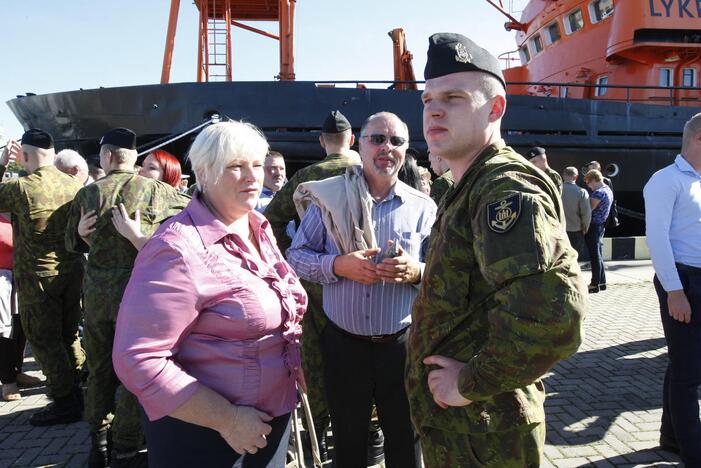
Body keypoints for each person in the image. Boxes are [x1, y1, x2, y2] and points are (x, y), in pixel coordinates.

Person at [406, 33, 586, 467]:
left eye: (453, 97)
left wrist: (467, 382)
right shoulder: (469, 185)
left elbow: (555, 320)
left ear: (495, 108)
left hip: (485, 431)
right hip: (466, 427)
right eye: (428, 98)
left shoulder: (503, 189)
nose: (433, 108)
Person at [112, 121, 307, 468]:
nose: (252, 176)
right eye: (235, 166)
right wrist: (228, 419)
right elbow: (138, 360)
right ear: (203, 172)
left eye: (256, 164)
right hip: (206, 437)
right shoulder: (176, 249)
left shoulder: (257, 228)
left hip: (268, 422)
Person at [287, 111, 434, 468]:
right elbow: (296, 257)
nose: (387, 148)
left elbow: (443, 273)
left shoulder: (422, 207)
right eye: (377, 139)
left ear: (406, 149)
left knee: (404, 439)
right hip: (344, 346)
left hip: (400, 346)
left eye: (396, 141)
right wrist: (338, 265)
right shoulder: (330, 198)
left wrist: (417, 271)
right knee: (348, 442)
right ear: (359, 142)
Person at [65, 128, 190, 468]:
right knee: (137, 372)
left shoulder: (88, 194)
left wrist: (79, 235)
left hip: (97, 301)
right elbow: (197, 218)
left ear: (106, 157)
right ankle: (126, 444)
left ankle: (98, 441)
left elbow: (69, 244)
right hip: (137, 299)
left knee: (99, 371)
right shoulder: (157, 191)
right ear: (133, 157)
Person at [264, 109, 358, 461]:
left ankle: (318, 432)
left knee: (315, 359)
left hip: (314, 282)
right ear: (352, 139)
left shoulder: (306, 176)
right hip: (363, 282)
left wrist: (293, 258)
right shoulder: (367, 172)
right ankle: (370, 432)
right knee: (362, 356)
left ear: (322, 142)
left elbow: (270, 221)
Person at [0, 130, 86, 425]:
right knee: (68, 333)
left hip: (38, 277)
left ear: (24, 155)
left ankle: (65, 402)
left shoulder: (22, 187)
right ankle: (78, 386)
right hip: (72, 270)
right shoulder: (75, 183)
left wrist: (1, 164)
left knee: (45, 341)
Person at [643, 112, 701, 466]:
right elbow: (658, 239)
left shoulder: (697, 181)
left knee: (682, 364)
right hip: (683, 281)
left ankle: (671, 435)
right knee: (689, 375)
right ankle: (694, 454)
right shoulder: (666, 181)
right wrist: (674, 291)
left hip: (697, 279)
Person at [583, 169, 613, 293]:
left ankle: (594, 284)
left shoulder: (598, 194)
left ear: (594, 180)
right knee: (599, 254)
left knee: (595, 255)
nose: (589, 187)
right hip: (601, 225)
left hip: (593, 226)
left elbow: (588, 209)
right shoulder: (608, 190)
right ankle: (602, 282)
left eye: (589, 183)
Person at [561, 166, 591, 260]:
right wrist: (585, 227)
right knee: (574, 258)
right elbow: (586, 213)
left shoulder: (556, 190)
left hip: (560, 229)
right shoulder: (581, 192)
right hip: (576, 230)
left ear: (563, 176)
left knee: (562, 258)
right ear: (576, 177)